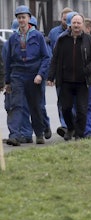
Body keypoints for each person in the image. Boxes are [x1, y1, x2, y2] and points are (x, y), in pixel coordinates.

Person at [47, 13, 91, 140]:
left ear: (83, 25)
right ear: (70, 24)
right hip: (66, 81)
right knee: (65, 108)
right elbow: (55, 59)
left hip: (83, 82)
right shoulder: (62, 40)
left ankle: (79, 135)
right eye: (74, 23)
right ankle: (70, 127)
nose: (76, 25)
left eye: (79, 23)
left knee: (82, 110)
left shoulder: (90, 40)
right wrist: (50, 77)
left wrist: (88, 70)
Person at [4, 5, 51, 146]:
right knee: (16, 105)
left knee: (35, 106)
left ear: (29, 18)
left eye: (24, 17)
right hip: (17, 75)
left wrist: (40, 75)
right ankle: (15, 135)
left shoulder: (38, 36)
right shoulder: (13, 38)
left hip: (33, 75)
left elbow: (46, 57)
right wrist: (7, 81)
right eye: (19, 18)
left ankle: (39, 134)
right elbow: (8, 61)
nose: (21, 20)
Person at [48, 7, 73, 138]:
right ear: (61, 18)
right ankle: (65, 125)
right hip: (60, 71)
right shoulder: (54, 33)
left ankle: (73, 125)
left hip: (74, 72)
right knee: (62, 100)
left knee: (74, 100)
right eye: (65, 19)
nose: (67, 22)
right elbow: (52, 54)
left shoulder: (78, 31)